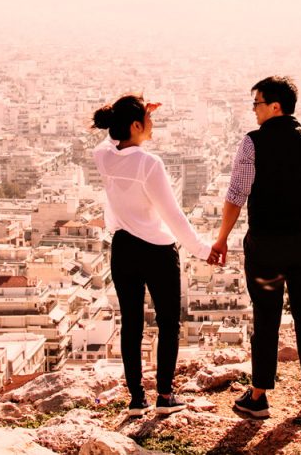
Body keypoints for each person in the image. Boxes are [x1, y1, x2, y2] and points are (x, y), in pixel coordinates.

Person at [211, 76, 301, 419]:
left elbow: (236, 196)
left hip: (266, 246)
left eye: (257, 104)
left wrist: (221, 239)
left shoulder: (253, 143)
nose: (254, 111)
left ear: (275, 106)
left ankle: (259, 396)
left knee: (267, 317)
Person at [92, 94, 218, 417]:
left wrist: (132, 114)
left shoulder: (104, 158)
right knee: (167, 324)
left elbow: (109, 140)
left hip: (122, 249)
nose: (153, 125)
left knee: (131, 325)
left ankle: (136, 399)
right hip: (158, 252)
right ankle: (164, 395)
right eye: (148, 120)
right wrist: (204, 250)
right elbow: (174, 217)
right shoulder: (150, 165)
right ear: (136, 125)